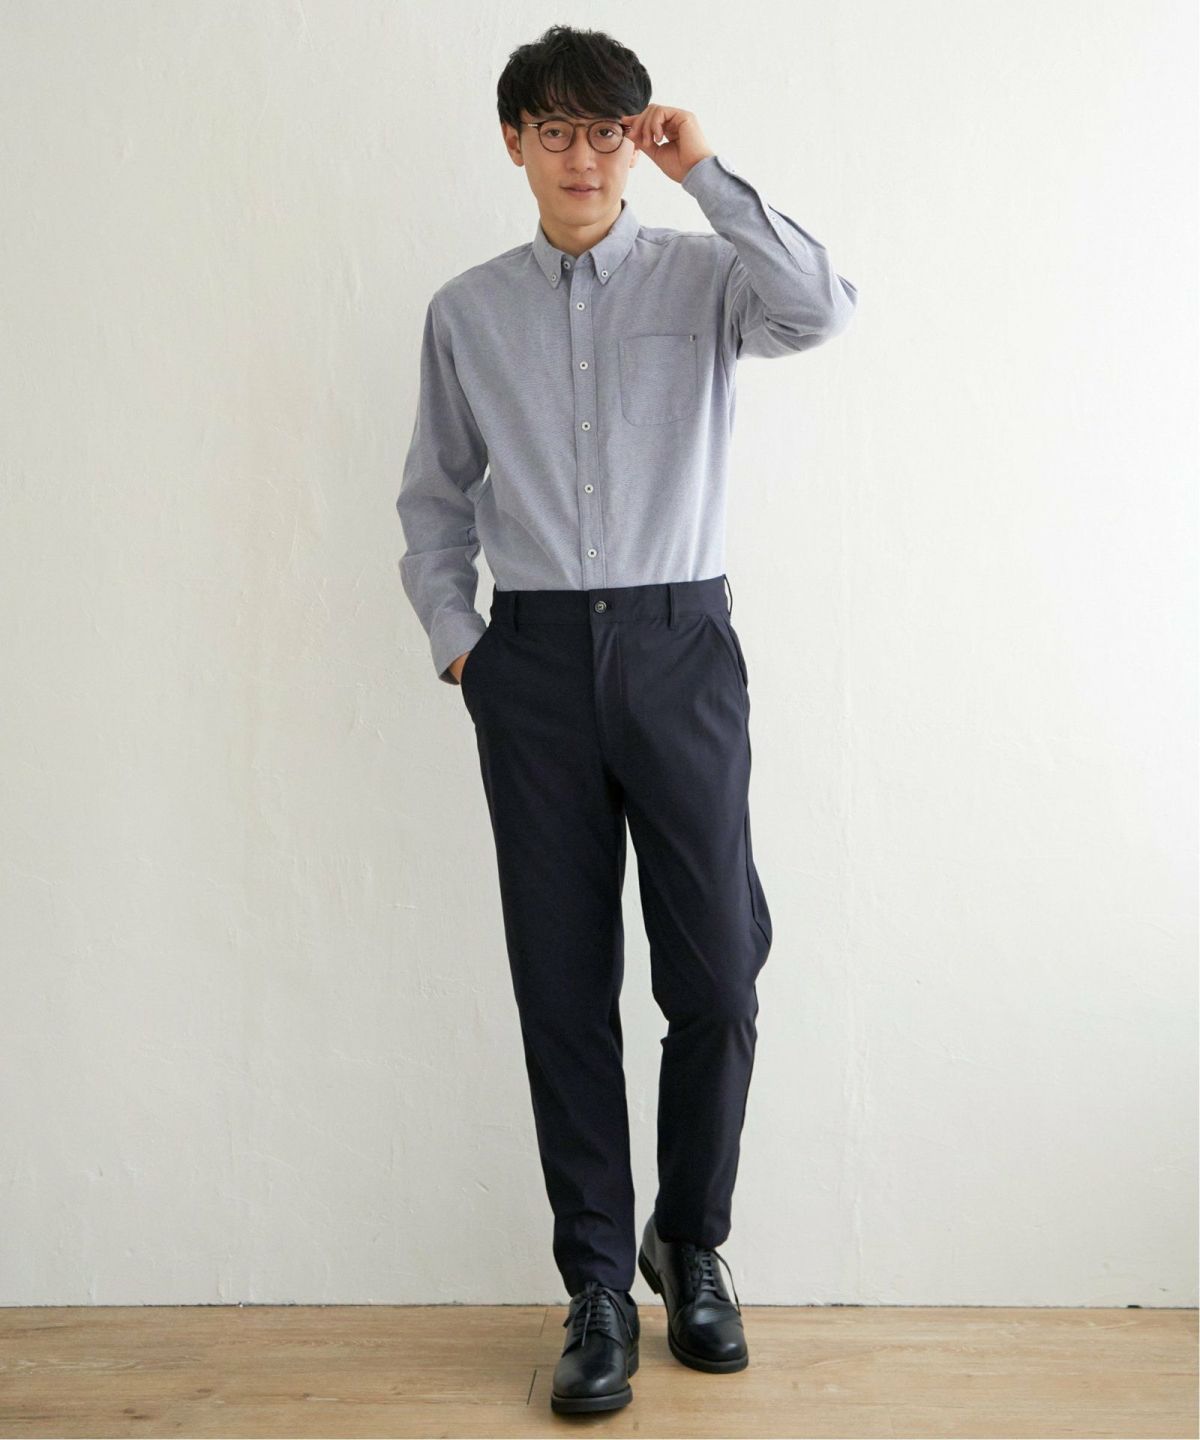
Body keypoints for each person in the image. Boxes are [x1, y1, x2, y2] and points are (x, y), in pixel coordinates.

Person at [396, 23, 857, 1416]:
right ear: (515, 143)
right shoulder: (467, 312)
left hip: (678, 645)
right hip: (532, 665)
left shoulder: (706, 279)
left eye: (605, 129)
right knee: (563, 984)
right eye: (555, 129)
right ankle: (598, 1283)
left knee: (717, 973)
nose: (583, 157)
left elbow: (822, 308)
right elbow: (435, 497)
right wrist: (464, 648)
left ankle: (690, 1242)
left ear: (632, 138)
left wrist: (702, 169)